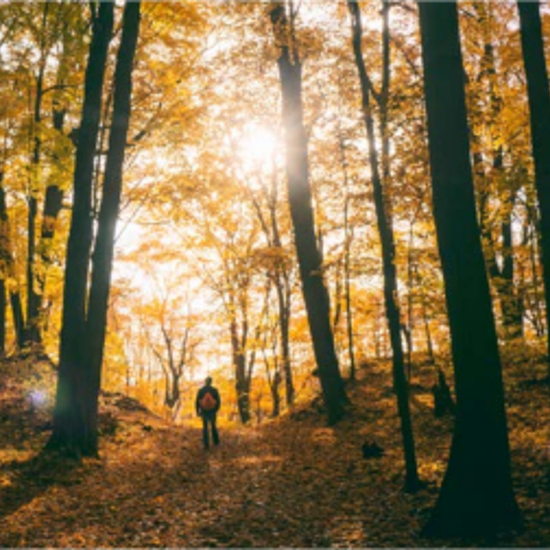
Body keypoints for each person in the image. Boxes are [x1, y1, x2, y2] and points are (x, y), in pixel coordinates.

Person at [195, 376, 221, 449]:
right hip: (212, 411)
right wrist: (216, 409)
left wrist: (197, 411)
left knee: (205, 427)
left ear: (205, 382)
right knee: (213, 426)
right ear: (211, 382)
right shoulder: (215, 390)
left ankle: (206, 444)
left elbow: (197, 401)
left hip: (204, 411)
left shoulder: (201, 390)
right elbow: (218, 401)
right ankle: (216, 442)